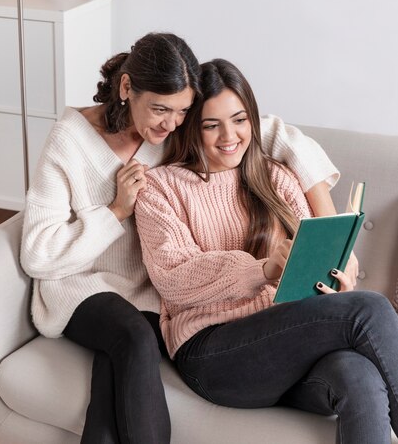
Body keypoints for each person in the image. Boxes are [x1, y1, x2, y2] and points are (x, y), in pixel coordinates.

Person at [21, 33, 340, 444]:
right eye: (160, 110)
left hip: (150, 288)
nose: (170, 123)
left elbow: (272, 130)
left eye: (182, 111)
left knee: (115, 368)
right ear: (126, 89)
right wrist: (115, 212)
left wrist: (332, 231)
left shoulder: (171, 126)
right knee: (132, 337)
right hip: (80, 282)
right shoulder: (68, 142)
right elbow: (37, 254)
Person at [135, 58, 398, 444]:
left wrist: (331, 287)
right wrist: (261, 270)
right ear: (192, 127)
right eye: (212, 124)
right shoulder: (161, 188)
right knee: (370, 308)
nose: (230, 135)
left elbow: (308, 263)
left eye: (240, 120)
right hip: (213, 352)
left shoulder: (275, 176)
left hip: (285, 347)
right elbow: (174, 278)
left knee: (357, 373)